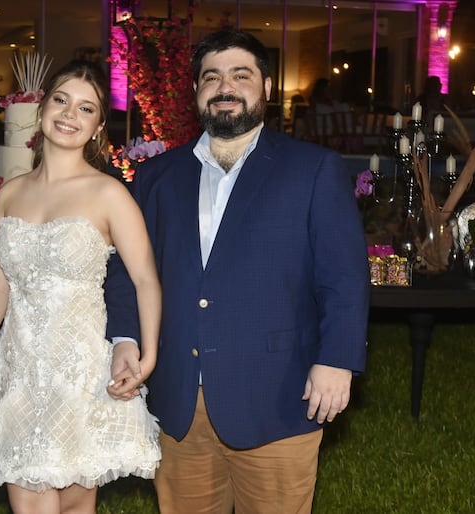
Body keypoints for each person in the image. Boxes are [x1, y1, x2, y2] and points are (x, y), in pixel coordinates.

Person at [105, 29, 370, 514]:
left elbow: (344, 276)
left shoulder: (313, 170)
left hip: (277, 395)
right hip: (179, 398)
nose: (225, 86)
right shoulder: (155, 177)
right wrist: (125, 337)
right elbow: (125, 268)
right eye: (212, 77)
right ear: (197, 92)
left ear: (267, 88)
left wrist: (338, 359)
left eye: (240, 75)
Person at [0, 60, 162, 514]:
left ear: (97, 126)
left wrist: (147, 355)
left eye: (85, 108)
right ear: (42, 108)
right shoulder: (9, 193)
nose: (70, 114)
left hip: (81, 375)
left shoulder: (110, 194)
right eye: (61, 100)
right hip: (21, 371)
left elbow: (146, 279)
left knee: (75, 506)